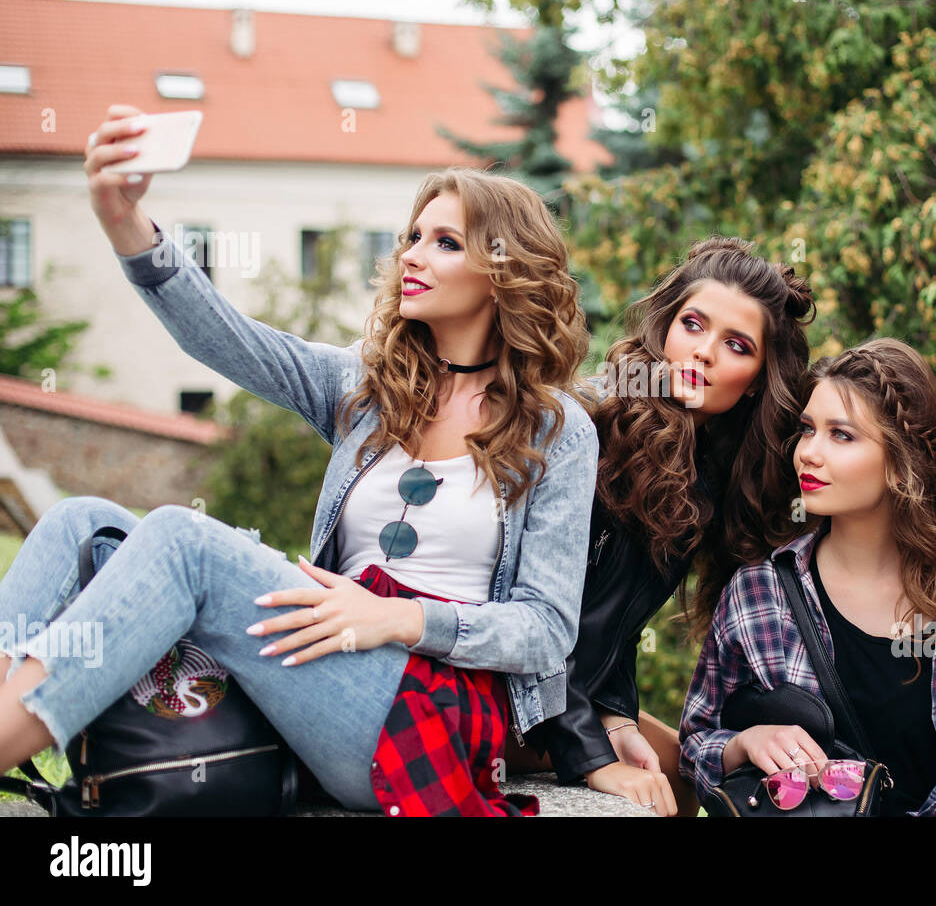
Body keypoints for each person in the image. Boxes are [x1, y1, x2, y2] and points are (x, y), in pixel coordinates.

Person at [0, 105, 598, 817]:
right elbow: (225, 340)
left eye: (444, 242)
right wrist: (125, 222)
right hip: (327, 656)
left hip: (426, 707)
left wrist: (401, 620)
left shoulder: (556, 431)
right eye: (413, 236)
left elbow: (545, 630)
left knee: (181, 539)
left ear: (504, 271)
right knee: (80, 521)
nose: (409, 253)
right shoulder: (368, 386)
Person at [521, 242, 936, 816]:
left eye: (736, 344)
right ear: (662, 328)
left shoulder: (721, 471)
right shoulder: (589, 432)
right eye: (692, 324)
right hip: (511, 687)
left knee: (669, 778)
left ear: (756, 379)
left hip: (574, 696)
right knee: (673, 778)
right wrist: (597, 752)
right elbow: (549, 617)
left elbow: (611, 625)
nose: (702, 353)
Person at [679, 339, 936, 815]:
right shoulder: (758, 594)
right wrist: (745, 743)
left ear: (903, 458)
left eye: (842, 435)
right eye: (807, 429)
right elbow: (694, 743)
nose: (808, 453)